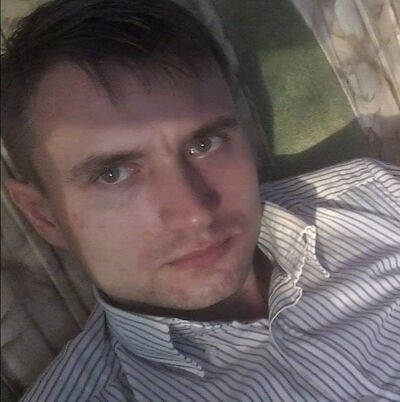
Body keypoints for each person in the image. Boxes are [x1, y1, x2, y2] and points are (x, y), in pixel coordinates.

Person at [1, 0, 399, 401]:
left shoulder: (379, 198)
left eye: (205, 144)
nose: (195, 214)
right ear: (43, 216)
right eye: (113, 174)